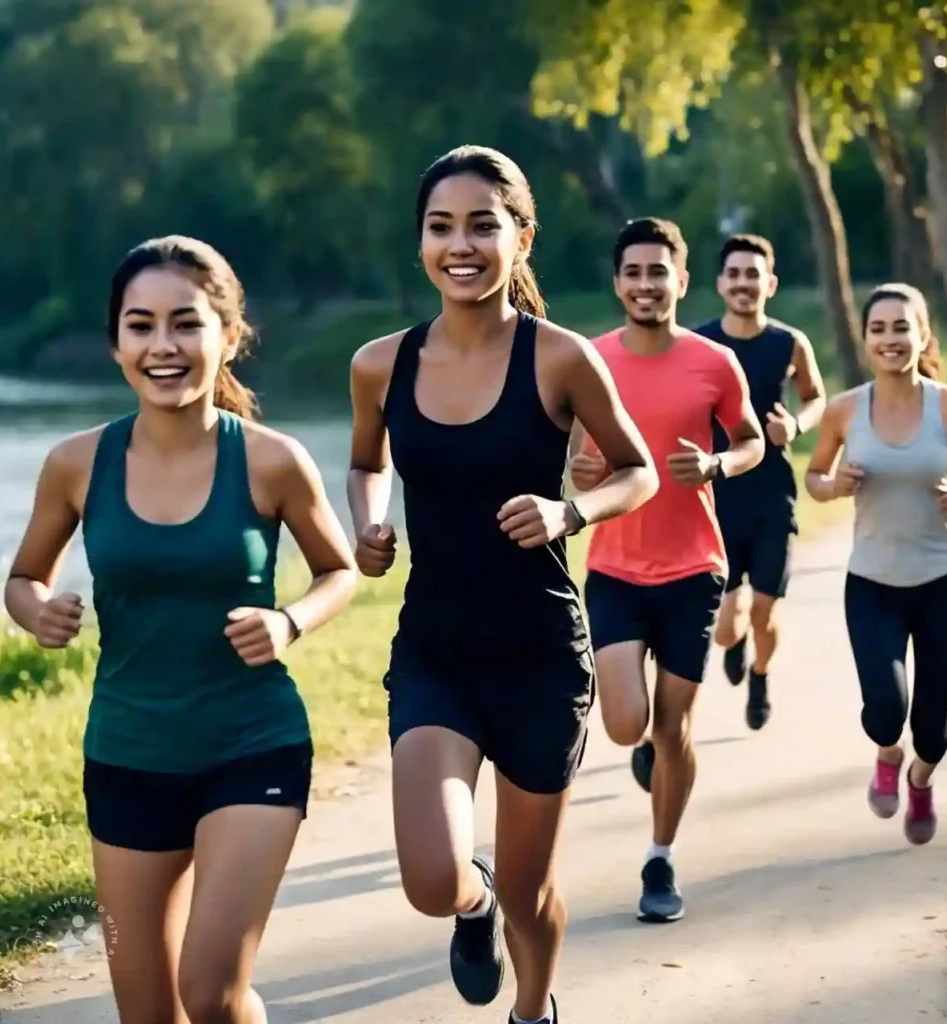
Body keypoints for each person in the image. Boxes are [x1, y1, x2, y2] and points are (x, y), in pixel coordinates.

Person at [3, 235, 359, 1024]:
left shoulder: (271, 461)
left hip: (252, 748)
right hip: (128, 757)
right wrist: (38, 613)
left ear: (229, 335)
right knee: (147, 1014)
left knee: (211, 991)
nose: (163, 346)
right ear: (116, 342)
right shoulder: (75, 464)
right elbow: (23, 579)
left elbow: (341, 572)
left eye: (186, 324)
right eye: (140, 325)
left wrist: (288, 620)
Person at [347, 146, 658, 1024]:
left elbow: (637, 472)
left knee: (532, 892)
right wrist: (371, 525)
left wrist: (571, 514)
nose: (462, 245)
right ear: (420, 245)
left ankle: (532, 1010)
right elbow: (367, 464)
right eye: (441, 227)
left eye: (484, 225)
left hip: (540, 660)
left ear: (521, 238)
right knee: (432, 878)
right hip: (436, 653)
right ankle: (469, 907)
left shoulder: (559, 358)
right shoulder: (381, 365)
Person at [569, 217, 765, 923]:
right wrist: (578, 474)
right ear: (618, 283)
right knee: (627, 724)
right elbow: (568, 458)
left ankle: (660, 858)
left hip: (693, 567)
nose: (646, 285)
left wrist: (716, 463)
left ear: (681, 281)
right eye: (634, 273)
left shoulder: (715, 363)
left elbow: (750, 443)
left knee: (674, 726)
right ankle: (648, 753)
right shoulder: (588, 361)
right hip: (617, 565)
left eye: (659, 272)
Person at [804, 282, 947, 845]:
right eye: (879, 329)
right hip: (872, 584)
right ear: (866, 339)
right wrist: (834, 484)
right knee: (885, 713)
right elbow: (814, 478)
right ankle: (889, 754)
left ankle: (920, 777)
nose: (890, 339)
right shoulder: (846, 410)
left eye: (901, 328)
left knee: (934, 730)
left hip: (943, 583)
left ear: (922, 335)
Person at [693, 234, 827, 730]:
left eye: (753, 275)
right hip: (718, 496)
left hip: (773, 496)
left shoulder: (789, 343)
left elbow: (815, 397)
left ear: (769, 283)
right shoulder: (701, 344)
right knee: (726, 628)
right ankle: (737, 643)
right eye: (734, 275)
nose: (744, 284)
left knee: (765, 613)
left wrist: (795, 425)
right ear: (720, 283)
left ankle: (761, 676)